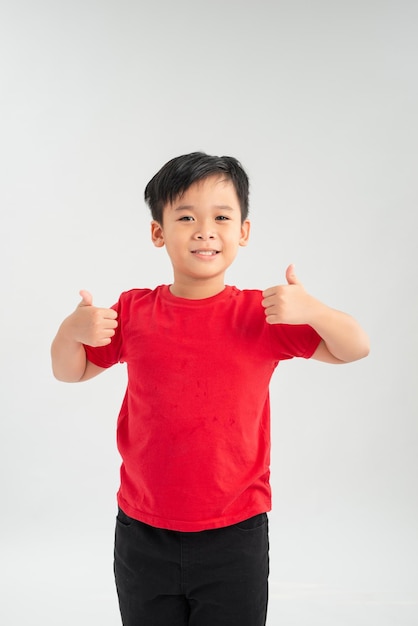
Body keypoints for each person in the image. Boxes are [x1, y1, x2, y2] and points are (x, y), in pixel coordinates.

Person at [51, 152, 369, 626]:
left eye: (221, 217)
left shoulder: (261, 314)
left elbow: (354, 348)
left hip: (234, 534)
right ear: (158, 232)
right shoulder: (134, 311)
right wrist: (70, 330)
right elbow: (69, 371)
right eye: (185, 217)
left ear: (242, 231)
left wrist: (314, 309)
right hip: (143, 532)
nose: (204, 230)